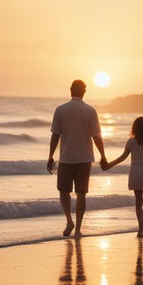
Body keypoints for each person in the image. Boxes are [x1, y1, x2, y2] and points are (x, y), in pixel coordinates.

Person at [47, 79, 107, 237]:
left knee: (63, 191)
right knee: (81, 194)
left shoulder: (60, 110)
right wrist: (103, 156)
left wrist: (50, 156)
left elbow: (55, 136)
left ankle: (69, 220)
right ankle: (78, 229)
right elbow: (96, 137)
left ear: (70, 90)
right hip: (84, 159)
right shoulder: (90, 111)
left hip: (66, 158)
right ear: (84, 91)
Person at [104, 116, 143, 236]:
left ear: (135, 128)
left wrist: (109, 165)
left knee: (138, 201)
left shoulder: (130, 142)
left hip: (136, 172)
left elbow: (122, 157)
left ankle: (139, 228)